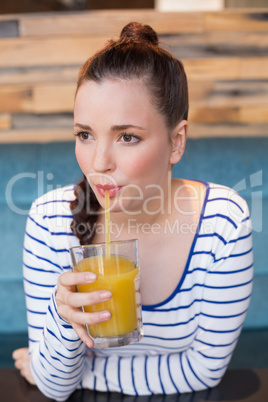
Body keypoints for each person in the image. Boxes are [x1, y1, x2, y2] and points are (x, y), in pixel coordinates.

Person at [13, 22, 253, 401]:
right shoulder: (50, 221)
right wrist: (62, 319)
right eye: (85, 134)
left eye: (127, 136)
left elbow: (205, 371)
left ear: (176, 141)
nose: (98, 162)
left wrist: (82, 375)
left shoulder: (222, 223)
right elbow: (56, 388)